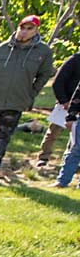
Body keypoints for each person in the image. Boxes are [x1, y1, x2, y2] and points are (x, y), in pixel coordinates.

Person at [0, 15, 54, 177]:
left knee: (4, 136)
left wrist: (31, 94)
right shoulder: (2, 49)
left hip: (16, 101)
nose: (24, 32)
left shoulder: (43, 52)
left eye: (29, 28)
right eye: (22, 27)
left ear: (36, 31)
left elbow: (45, 74)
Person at [38, 48, 79, 168]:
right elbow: (58, 82)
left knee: (76, 137)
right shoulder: (75, 60)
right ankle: (43, 158)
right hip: (66, 103)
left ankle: (70, 162)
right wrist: (64, 101)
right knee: (53, 133)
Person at [51, 51, 80, 187]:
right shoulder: (76, 59)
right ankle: (62, 181)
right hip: (76, 114)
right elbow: (78, 92)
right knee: (75, 149)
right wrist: (71, 114)